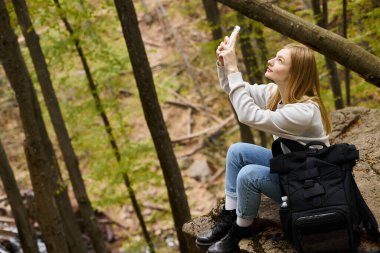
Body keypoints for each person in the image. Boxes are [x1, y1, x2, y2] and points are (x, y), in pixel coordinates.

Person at [195, 34, 332, 253]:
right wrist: (224, 66)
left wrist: (234, 69)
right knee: (237, 151)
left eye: (279, 61)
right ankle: (230, 216)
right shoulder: (276, 93)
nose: (270, 61)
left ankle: (241, 230)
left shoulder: (304, 111)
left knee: (249, 174)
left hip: (307, 186)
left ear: (294, 73)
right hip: (292, 168)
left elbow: (248, 115)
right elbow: (237, 90)